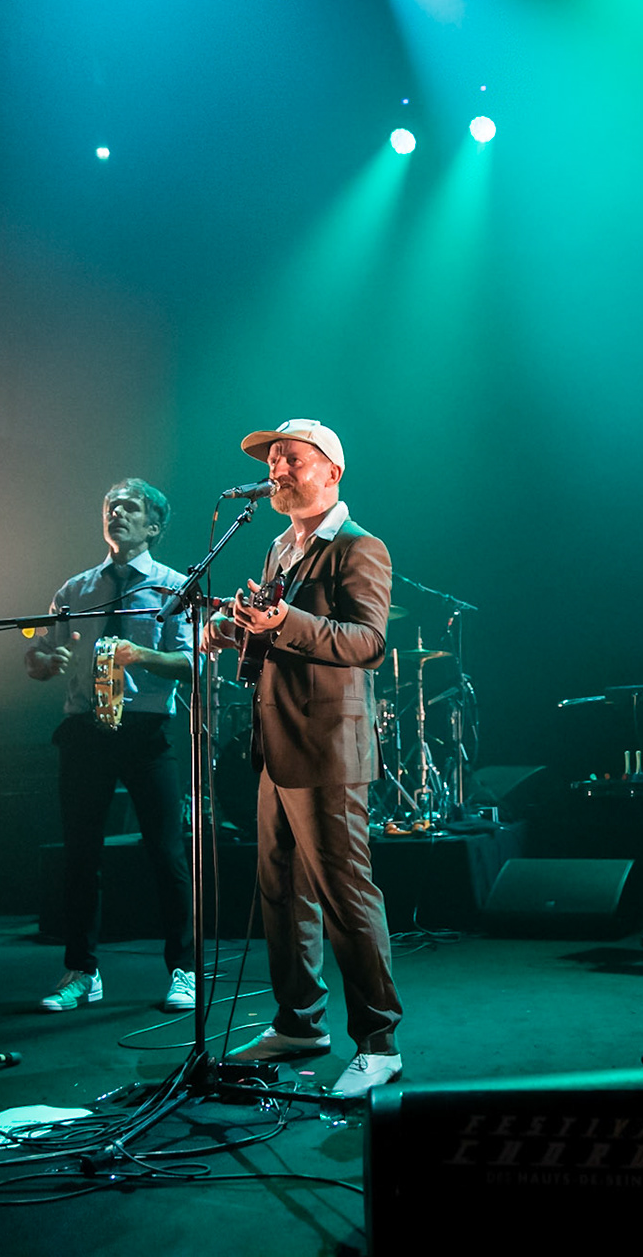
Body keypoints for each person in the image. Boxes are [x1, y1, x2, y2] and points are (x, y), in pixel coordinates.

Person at [201, 419, 403, 1100]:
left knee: (346, 895)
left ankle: (379, 1043)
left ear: (331, 471)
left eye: (290, 457)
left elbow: (367, 642)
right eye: (272, 459)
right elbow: (276, 643)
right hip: (276, 742)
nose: (277, 468)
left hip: (327, 748)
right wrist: (237, 634)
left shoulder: (357, 546)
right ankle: (299, 1022)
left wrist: (282, 623)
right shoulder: (280, 548)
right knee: (280, 890)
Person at [25, 479, 197, 1014]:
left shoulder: (174, 587)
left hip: (146, 731)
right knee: (80, 856)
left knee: (166, 853)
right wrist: (41, 662)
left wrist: (137, 656)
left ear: (153, 526)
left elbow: (192, 663)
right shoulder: (75, 589)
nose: (117, 512)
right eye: (110, 506)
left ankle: (183, 969)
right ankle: (82, 971)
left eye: (131, 507)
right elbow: (37, 651)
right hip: (85, 730)